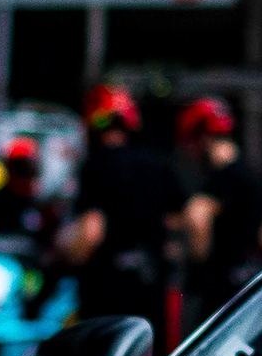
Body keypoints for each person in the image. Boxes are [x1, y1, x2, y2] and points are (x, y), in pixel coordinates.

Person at [54, 86, 186, 338]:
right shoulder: (158, 164)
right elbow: (179, 220)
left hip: (107, 292)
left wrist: (62, 256)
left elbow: (92, 231)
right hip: (152, 288)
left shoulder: (96, 166)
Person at [176, 96, 262, 329]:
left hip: (221, 289)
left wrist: (200, 263)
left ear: (202, 138)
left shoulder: (221, 177)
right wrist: (256, 245)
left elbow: (198, 216)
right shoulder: (253, 172)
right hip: (254, 281)